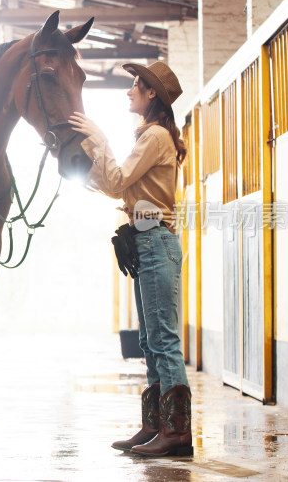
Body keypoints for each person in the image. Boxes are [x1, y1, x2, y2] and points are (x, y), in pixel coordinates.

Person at [68, 61, 192, 457]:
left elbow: (118, 180)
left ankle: (176, 433)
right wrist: (87, 147)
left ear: (151, 94)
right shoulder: (153, 136)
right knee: (149, 341)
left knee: (163, 341)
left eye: (135, 85)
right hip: (147, 243)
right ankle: (155, 425)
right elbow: (113, 186)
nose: (128, 91)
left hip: (155, 241)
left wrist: (100, 138)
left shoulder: (155, 135)